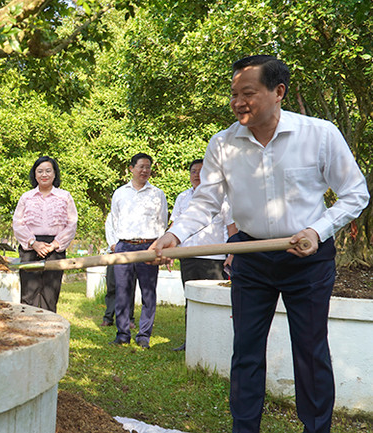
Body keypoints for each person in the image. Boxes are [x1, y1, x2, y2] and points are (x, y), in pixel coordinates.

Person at [150, 55, 369, 433]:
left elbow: (355, 193)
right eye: (234, 94)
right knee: (246, 351)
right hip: (250, 257)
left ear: (278, 91)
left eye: (247, 92)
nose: (238, 102)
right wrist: (174, 234)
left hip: (308, 259)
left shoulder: (319, 134)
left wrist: (317, 231)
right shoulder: (223, 144)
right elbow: (205, 202)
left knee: (310, 352)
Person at [169, 158, 237, 351]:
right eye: (193, 171)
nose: (197, 174)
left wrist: (232, 253)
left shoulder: (222, 198)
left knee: (214, 299)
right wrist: (170, 251)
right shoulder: (182, 198)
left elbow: (231, 226)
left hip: (214, 259)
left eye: (201, 171)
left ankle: (214, 342)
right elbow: (175, 226)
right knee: (191, 299)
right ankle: (190, 340)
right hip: (188, 256)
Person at [106, 153, 168, 349]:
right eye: (141, 166)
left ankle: (144, 336)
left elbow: (162, 222)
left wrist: (158, 246)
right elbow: (113, 220)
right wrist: (115, 244)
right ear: (131, 169)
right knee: (122, 291)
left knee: (148, 292)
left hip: (148, 247)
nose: (144, 170)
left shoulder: (157, 194)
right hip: (124, 246)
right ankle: (123, 333)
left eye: (148, 167)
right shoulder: (120, 193)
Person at [12, 156, 78, 313]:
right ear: (34, 175)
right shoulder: (26, 197)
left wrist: (54, 244)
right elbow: (18, 223)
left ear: (55, 174)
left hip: (55, 249)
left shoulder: (65, 196)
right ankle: (28, 331)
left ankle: (49, 330)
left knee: (50, 295)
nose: (44, 174)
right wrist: (33, 243)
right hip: (30, 248)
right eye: (40, 171)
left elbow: (71, 223)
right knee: (29, 295)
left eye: (48, 171)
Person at [101, 212, 136, 328]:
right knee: (111, 286)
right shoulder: (112, 215)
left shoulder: (134, 213)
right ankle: (108, 317)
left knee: (129, 287)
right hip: (114, 254)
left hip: (130, 254)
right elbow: (109, 230)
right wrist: (113, 245)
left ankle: (129, 318)